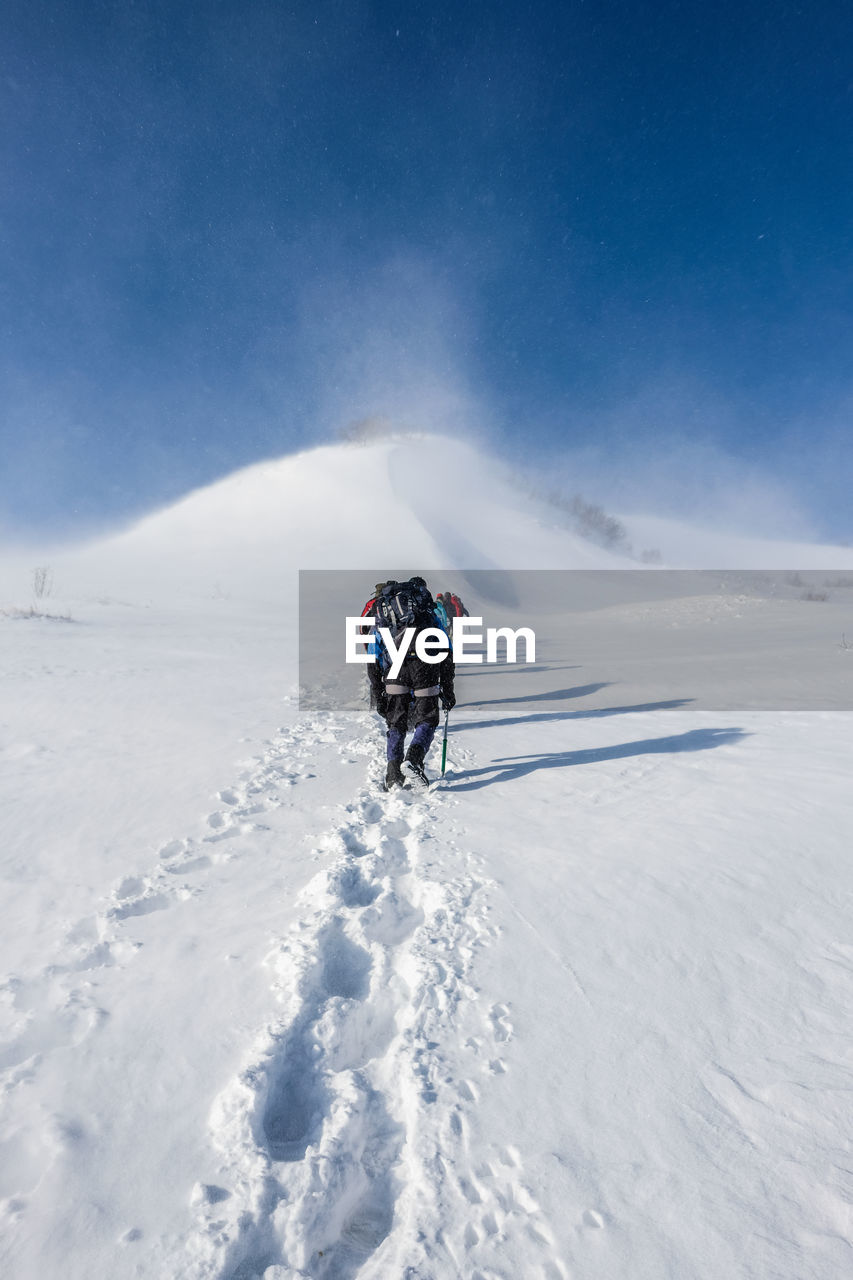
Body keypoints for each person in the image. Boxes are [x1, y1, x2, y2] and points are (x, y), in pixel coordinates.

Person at [366, 576, 456, 789]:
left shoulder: (384, 618)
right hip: (425, 666)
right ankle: (414, 759)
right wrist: (448, 688)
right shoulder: (429, 615)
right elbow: (446, 652)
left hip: (394, 668)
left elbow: (373, 657)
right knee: (427, 717)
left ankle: (393, 771)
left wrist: (378, 694)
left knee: (396, 721)